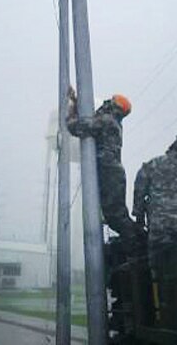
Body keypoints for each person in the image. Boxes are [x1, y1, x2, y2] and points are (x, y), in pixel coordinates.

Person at [66, 86, 138, 248]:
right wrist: (76, 100)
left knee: (115, 217)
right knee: (115, 216)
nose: (106, 103)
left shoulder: (107, 120)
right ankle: (138, 240)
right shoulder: (111, 121)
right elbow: (92, 120)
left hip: (109, 171)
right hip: (111, 171)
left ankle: (140, 241)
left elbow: (76, 127)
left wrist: (70, 109)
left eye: (110, 102)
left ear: (114, 106)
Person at [132, 131, 177, 253]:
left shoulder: (153, 164)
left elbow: (139, 192)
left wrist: (139, 220)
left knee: (158, 268)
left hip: (158, 231)